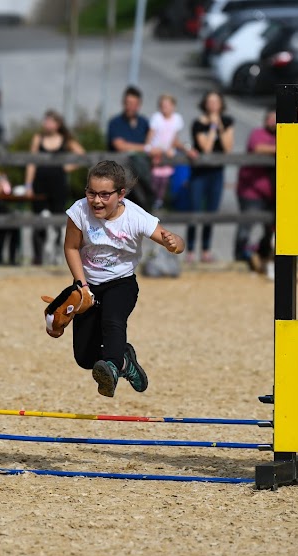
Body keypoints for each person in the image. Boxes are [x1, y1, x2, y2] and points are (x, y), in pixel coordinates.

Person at [64, 160, 185, 397]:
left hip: (121, 283)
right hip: (87, 284)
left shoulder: (136, 217)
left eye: (104, 194)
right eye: (91, 193)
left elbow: (176, 243)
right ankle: (124, 363)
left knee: (113, 320)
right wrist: (82, 285)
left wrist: (174, 244)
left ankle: (111, 366)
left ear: (121, 194)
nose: (96, 201)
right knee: (84, 358)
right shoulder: (79, 211)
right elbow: (71, 248)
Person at [24, 110, 85, 265]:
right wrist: (28, 184)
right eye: (45, 121)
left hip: (58, 186)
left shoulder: (65, 140)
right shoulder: (38, 139)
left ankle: (58, 255)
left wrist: (66, 167)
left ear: (57, 124)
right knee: (38, 221)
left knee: (58, 222)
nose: (47, 124)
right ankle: (38, 257)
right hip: (39, 185)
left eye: (50, 121)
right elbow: (31, 163)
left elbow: (82, 155)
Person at [188, 89, 234, 264]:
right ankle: (191, 250)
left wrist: (220, 126)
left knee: (212, 211)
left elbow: (228, 148)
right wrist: (213, 127)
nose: (213, 105)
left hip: (217, 172)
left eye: (216, 101)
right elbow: (206, 148)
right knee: (195, 211)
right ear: (205, 104)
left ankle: (206, 249)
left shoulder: (228, 122)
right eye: (210, 102)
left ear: (221, 104)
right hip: (199, 173)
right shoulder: (198, 124)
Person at [234, 108, 275, 272]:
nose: (273, 122)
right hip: (251, 190)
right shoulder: (257, 133)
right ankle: (239, 257)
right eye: (271, 118)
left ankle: (261, 255)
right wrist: (281, 148)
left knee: (270, 230)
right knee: (246, 226)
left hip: (272, 194)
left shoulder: (279, 135)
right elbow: (257, 148)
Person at [107, 85, 153, 209]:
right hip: (122, 176)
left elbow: (152, 142)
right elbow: (119, 145)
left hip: (141, 173)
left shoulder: (144, 122)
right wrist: (145, 148)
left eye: (133, 103)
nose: (130, 106)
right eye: (128, 103)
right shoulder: (115, 123)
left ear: (139, 104)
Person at [147, 93, 191, 210]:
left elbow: (174, 138)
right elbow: (150, 136)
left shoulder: (177, 119)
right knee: (154, 180)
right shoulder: (156, 118)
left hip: (167, 152)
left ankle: (160, 202)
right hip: (156, 151)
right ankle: (153, 201)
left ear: (173, 106)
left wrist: (180, 147)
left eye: (167, 105)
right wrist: (150, 148)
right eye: (163, 105)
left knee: (165, 181)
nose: (165, 108)